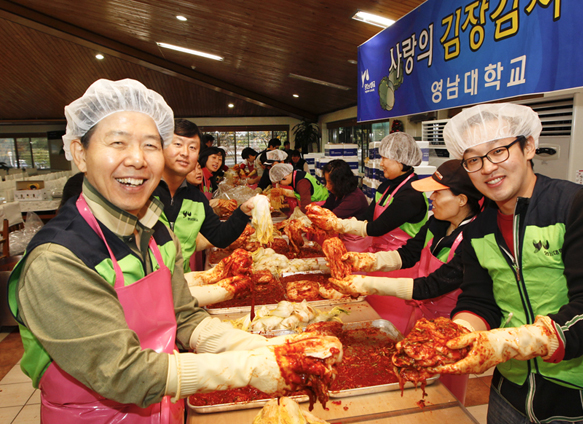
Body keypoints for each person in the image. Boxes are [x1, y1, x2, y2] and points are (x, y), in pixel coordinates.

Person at [7, 79, 338, 423]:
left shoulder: (155, 230)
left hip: (165, 406)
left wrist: (259, 349)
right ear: (80, 153)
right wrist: (247, 368)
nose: (136, 159)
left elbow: (184, 315)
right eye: (118, 143)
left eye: (150, 145)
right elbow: (122, 372)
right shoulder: (58, 258)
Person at [422, 103, 583, 424]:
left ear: (529, 146)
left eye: (499, 151)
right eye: (474, 159)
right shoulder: (479, 228)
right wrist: (463, 334)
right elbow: (479, 299)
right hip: (512, 391)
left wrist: (508, 342)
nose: (488, 167)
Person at [328, 160, 483, 402]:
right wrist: (363, 262)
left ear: (462, 199)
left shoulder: (476, 238)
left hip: (450, 332)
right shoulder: (438, 222)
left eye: (438, 193)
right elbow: (407, 254)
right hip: (420, 318)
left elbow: (434, 285)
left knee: (442, 398)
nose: (431, 198)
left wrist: (369, 285)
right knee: (410, 388)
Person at [317, 132, 428, 332]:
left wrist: (338, 224)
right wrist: (339, 222)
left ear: (401, 161)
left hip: (400, 266)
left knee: (391, 325)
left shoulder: (411, 195)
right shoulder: (386, 187)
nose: (381, 162)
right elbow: (367, 217)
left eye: (385, 158)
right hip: (378, 260)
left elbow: (377, 227)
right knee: (372, 317)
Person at [152, 119, 252, 272]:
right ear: (161, 147)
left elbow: (220, 237)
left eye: (192, 147)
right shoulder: (143, 192)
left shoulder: (196, 198)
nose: (185, 153)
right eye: (177, 144)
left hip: (180, 284)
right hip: (142, 288)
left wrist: (243, 211)